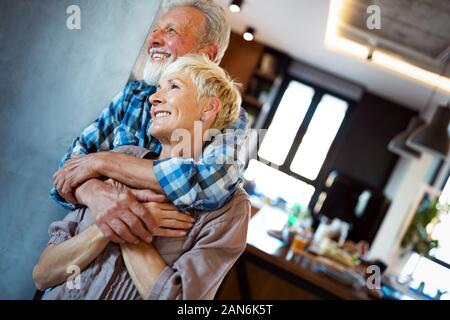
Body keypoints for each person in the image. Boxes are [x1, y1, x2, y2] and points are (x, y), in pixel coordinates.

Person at [33, 54, 251, 300]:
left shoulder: (231, 210)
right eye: (159, 88)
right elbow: (43, 274)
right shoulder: (122, 157)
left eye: (174, 86)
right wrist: (111, 222)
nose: (154, 98)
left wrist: (133, 224)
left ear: (208, 109)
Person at [50, 0, 249, 245]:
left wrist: (102, 162)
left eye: (171, 31)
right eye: (156, 29)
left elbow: (208, 184)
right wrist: (97, 195)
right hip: (76, 254)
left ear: (206, 56)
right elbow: (66, 170)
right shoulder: (133, 95)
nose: (153, 39)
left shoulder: (228, 118)